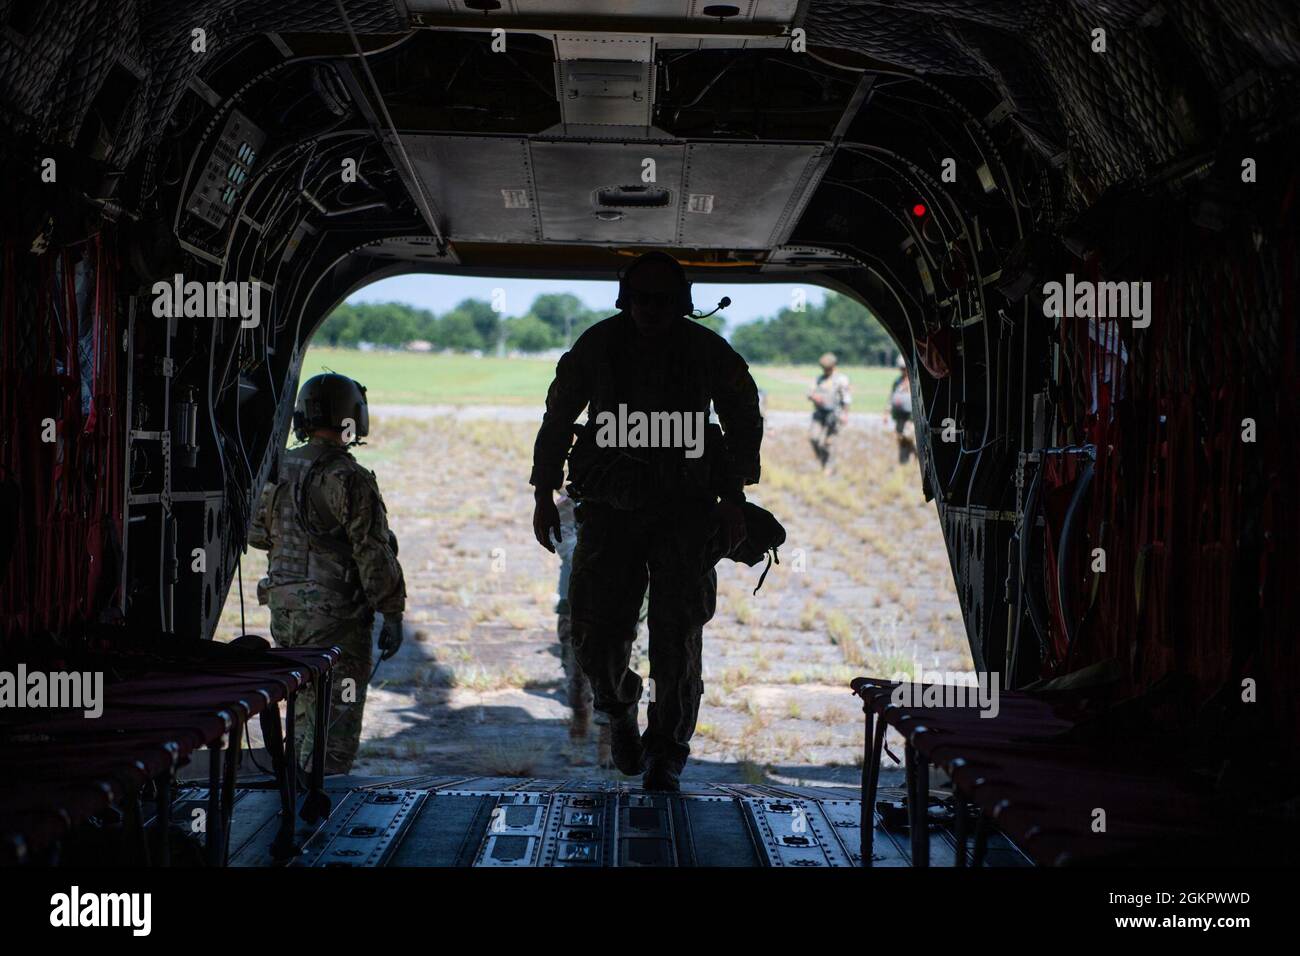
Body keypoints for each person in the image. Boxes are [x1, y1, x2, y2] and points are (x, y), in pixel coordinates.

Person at [530, 251, 763, 792]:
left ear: (681, 303)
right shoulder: (598, 345)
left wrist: (733, 496)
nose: (651, 309)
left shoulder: (707, 351)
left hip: (687, 514)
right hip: (611, 514)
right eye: (642, 299)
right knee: (593, 631)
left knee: (676, 639)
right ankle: (618, 709)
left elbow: (743, 415)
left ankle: (666, 754)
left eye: (662, 300)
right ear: (624, 299)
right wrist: (543, 491)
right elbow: (559, 416)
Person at [248, 373, 406, 776]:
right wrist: (392, 612)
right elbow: (373, 552)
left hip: (286, 615)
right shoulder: (348, 477)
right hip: (336, 620)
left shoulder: (278, 466)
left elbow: (257, 534)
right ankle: (321, 811)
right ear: (352, 416)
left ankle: (296, 797)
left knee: (303, 712)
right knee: (335, 724)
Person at [807, 352, 851, 470]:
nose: (825, 370)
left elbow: (846, 399)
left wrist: (845, 415)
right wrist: (813, 396)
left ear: (834, 366)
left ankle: (829, 467)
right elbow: (809, 392)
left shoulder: (841, 380)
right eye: (824, 368)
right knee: (814, 438)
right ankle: (822, 460)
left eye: (828, 368)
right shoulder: (819, 379)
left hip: (834, 416)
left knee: (828, 443)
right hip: (819, 414)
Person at [887, 356, 916, 465]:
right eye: (901, 368)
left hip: (912, 418)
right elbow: (892, 397)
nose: (903, 370)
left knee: (910, 438)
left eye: (904, 368)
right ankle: (904, 463)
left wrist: (912, 420)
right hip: (899, 417)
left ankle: (918, 459)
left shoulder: (914, 381)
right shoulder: (897, 382)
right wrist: (887, 411)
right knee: (901, 439)